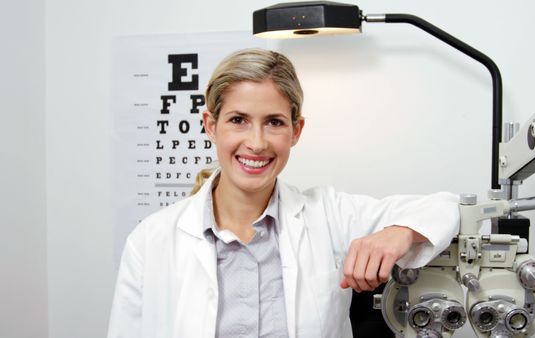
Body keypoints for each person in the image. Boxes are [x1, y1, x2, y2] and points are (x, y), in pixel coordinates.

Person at [107, 48, 459, 338]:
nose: (257, 143)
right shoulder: (151, 241)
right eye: (238, 120)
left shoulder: (328, 215)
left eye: (274, 122)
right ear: (210, 125)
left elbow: (449, 208)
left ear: (296, 130)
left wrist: (397, 232)